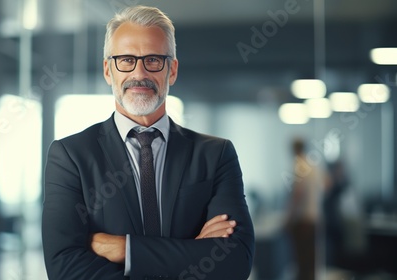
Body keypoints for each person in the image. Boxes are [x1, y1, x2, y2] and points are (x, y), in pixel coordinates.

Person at [42, 5, 254, 280]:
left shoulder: (215, 155)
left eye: (153, 60)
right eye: (126, 60)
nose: (139, 73)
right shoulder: (70, 156)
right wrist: (192, 250)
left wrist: (126, 249)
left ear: (172, 70)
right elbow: (64, 268)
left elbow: (235, 261)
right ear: (108, 71)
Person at [285, 138, 325, 280]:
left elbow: (298, 194)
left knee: (302, 262)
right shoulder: (313, 166)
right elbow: (324, 186)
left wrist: (288, 218)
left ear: (294, 149)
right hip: (315, 218)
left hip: (303, 221)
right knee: (311, 262)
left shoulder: (299, 165)